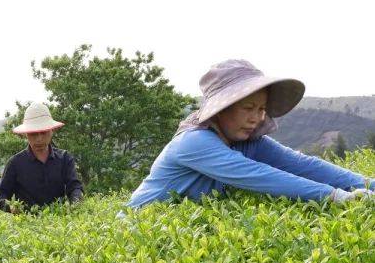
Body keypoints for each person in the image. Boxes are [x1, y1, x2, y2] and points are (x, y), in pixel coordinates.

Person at [128, 60, 375, 208]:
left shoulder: (247, 141)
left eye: (261, 109)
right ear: (221, 109)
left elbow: (302, 165)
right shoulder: (193, 142)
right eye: (248, 108)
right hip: (135, 230)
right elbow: (258, 175)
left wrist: (368, 185)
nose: (257, 118)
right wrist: (336, 197)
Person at [0, 102, 84, 213]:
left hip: (59, 222)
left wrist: (75, 204)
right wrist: (10, 207)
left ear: (52, 131)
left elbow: (75, 187)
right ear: (26, 134)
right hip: (26, 225)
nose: (39, 139)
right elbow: (1, 196)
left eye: (43, 132)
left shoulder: (65, 159)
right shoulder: (15, 163)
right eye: (33, 134)